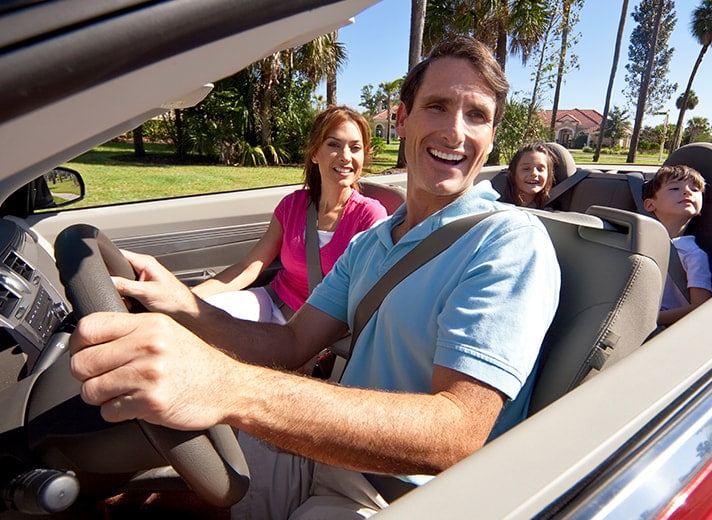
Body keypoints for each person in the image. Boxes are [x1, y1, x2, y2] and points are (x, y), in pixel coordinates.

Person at [69, 36, 561, 519]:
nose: (456, 132)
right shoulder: (374, 242)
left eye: (477, 115)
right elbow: (290, 342)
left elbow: (456, 432)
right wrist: (182, 303)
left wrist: (228, 387)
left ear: (493, 136)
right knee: (111, 498)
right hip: (326, 450)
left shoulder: (508, 243)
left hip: (392, 494)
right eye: (436, 106)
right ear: (403, 119)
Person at [192, 105, 388, 323]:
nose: (345, 156)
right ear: (315, 153)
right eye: (334, 145)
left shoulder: (370, 215)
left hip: (319, 327)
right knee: (198, 319)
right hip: (273, 301)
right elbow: (248, 266)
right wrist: (190, 299)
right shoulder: (292, 205)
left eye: (355, 148)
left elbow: (363, 299)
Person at [642, 164, 712, 326]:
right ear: (650, 205)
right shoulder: (638, 241)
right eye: (674, 189)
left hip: (663, 329)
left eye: (695, 190)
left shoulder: (693, 254)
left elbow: (700, 307)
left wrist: (650, 321)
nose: (688, 191)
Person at [501, 141, 557, 208]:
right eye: (526, 169)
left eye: (540, 169)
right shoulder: (499, 203)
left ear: (549, 175)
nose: (534, 173)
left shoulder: (550, 208)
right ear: (512, 174)